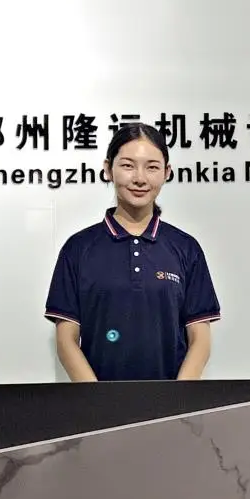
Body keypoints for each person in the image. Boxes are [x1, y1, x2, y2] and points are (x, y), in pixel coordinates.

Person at [44, 123, 221, 382]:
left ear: (167, 172)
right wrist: (96, 398)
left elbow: (200, 339)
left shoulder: (186, 248)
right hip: (98, 403)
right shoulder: (78, 248)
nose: (140, 178)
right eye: (128, 165)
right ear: (108, 169)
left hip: (172, 403)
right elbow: (66, 340)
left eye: (152, 167)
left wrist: (179, 399)